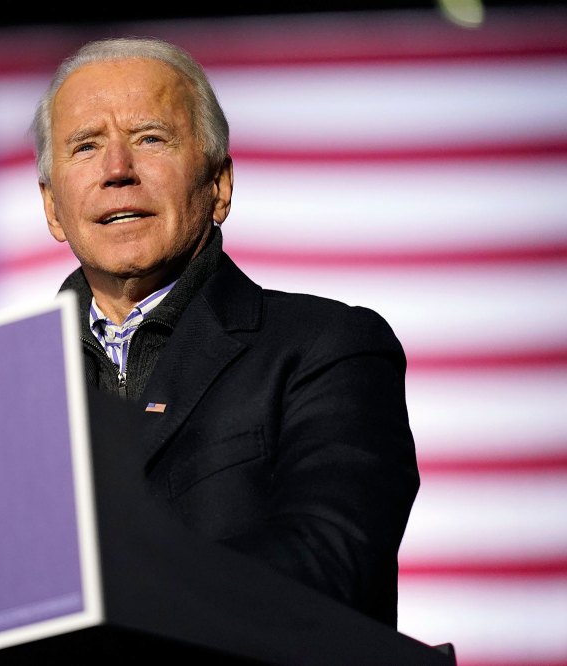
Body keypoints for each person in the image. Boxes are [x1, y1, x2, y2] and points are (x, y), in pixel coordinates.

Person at [30, 36, 420, 627]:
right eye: (86, 147)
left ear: (219, 185)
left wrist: (91, 603)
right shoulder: (7, 394)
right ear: (53, 208)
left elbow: (332, 563)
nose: (117, 170)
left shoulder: (327, 347)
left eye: (150, 139)